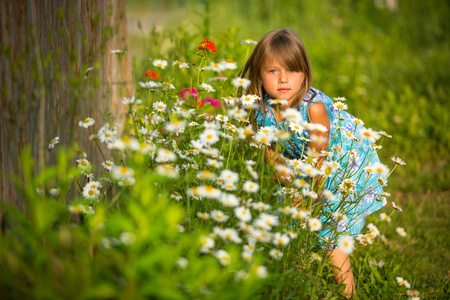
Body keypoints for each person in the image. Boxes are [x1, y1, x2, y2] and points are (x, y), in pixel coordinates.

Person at [239, 28, 386, 298]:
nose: (283, 79)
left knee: (330, 234)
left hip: (341, 164)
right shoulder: (261, 109)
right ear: (259, 74)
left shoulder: (313, 108)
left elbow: (319, 158)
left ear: (304, 73)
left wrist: (309, 195)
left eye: (292, 70)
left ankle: (348, 293)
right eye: (273, 71)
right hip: (305, 165)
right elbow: (269, 151)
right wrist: (289, 185)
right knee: (291, 222)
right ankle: (297, 280)